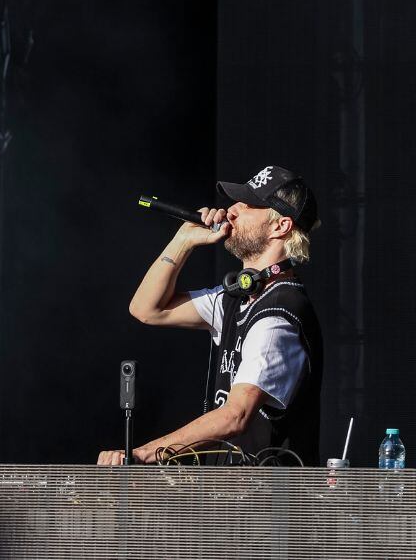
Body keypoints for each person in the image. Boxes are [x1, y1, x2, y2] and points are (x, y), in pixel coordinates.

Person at [98, 165, 323, 466]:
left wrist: (142, 454)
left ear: (280, 227)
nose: (231, 211)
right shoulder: (234, 298)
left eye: (248, 205)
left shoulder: (278, 316)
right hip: (233, 498)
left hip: (266, 505)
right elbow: (147, 309)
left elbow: (236, 415)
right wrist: (183, 241)